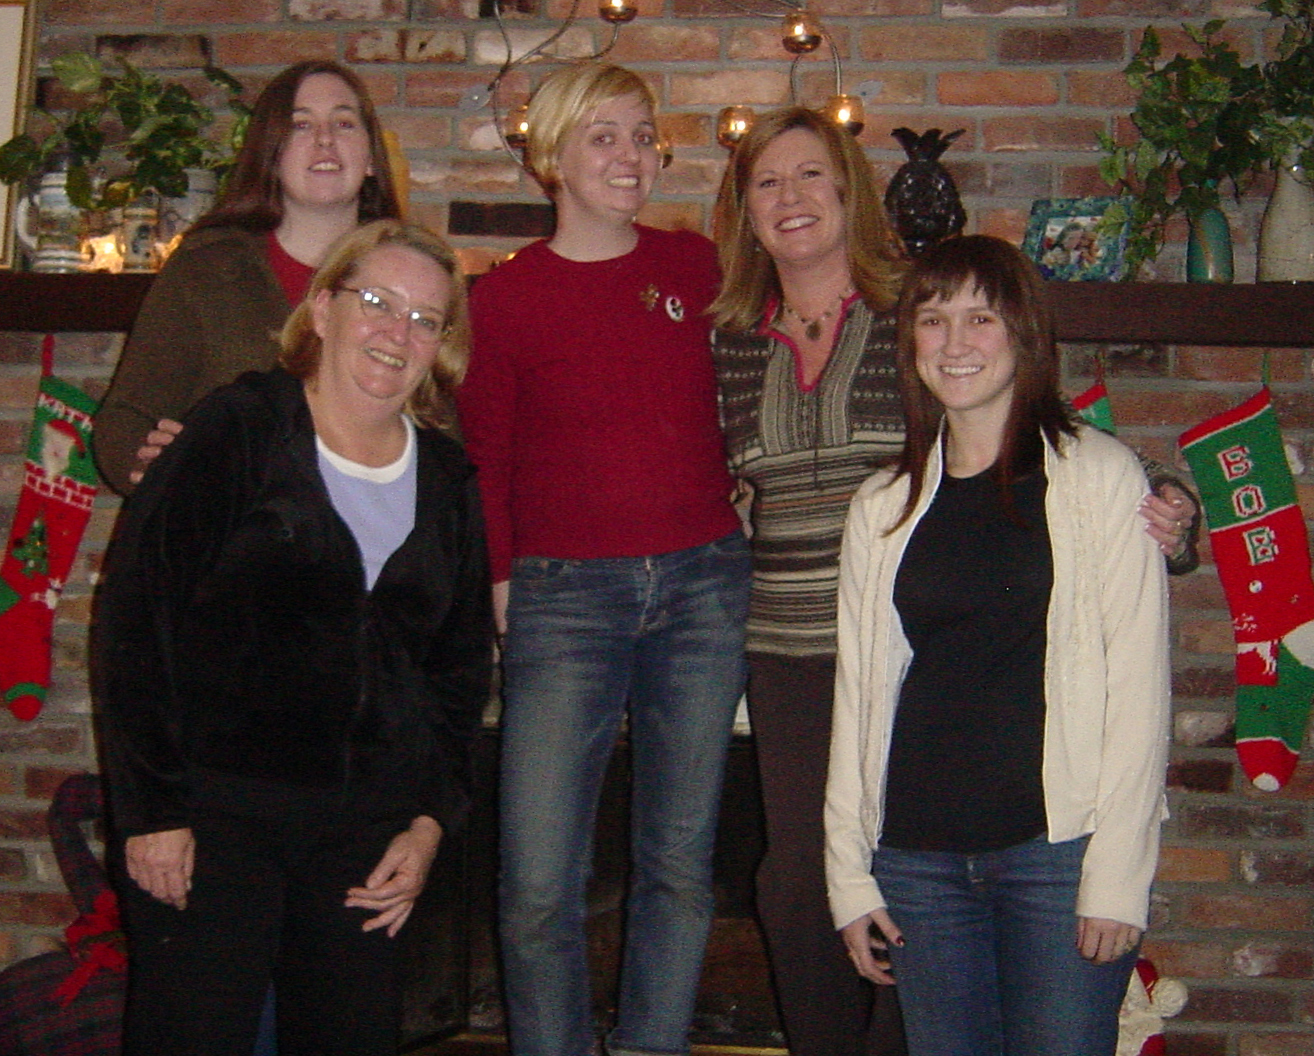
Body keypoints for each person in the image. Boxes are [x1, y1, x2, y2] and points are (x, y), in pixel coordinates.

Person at [709, 107, 1195, 1056]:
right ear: (744, 212)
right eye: (765, 182)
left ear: (850, 191)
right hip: (794, 649)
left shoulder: (913, 307)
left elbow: (1039, 438)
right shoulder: (730, 338)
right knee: (800, 891)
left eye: (810, 175)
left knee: (919, 931)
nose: (789, 198)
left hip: (947, 663)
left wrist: (1165, 511)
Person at [97, 220, 492, 1056]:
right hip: (212, 817)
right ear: (321, 309)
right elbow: (136, 621)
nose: (398, 332)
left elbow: (458, 674)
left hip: (365, 834)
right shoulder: (237, 429)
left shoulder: (447, 479)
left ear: (441, 347)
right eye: (377, 301)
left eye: (425, 319)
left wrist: (429, 823)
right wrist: (152, 813)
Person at [456, 62, 751, 1056]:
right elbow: (485, 456)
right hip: (563, 600)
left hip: (703, 586)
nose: (632, 156)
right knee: (539, 881)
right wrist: (503, 585)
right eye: (604, 136)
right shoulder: (505, 298)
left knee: (678, 863)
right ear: (553, 155)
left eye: (642, 135)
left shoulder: (695, 266)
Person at [825, 234, 1171, 1056]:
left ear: (1024, 334)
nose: (955, 342)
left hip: (1057, 860)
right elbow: (859, 696)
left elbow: (1139, 687)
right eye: (933, 318)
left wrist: (1119, 876)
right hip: (917, 861)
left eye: (980, 317)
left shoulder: (1100, 478)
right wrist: (849, 874)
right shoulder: (881, 506)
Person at [93, 59, 402, 496]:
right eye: (300, 125)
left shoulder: (411, 278)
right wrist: (151, 463)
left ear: (371, 157)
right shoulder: (207, 268)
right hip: (227, 527)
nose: (325, 139)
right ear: (271, 154)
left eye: (344, 123)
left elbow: (442, 428)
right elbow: (126, 418)